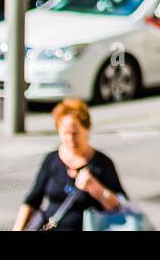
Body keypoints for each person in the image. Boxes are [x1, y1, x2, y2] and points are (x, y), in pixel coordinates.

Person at [14, 98, 125, 231]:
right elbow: (32, 200)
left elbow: (120, 207)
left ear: (87, 129)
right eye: (65, 133)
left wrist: (96, 189)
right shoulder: (52, 160)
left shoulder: (101, 164)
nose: (70, 139)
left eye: (75, 133)